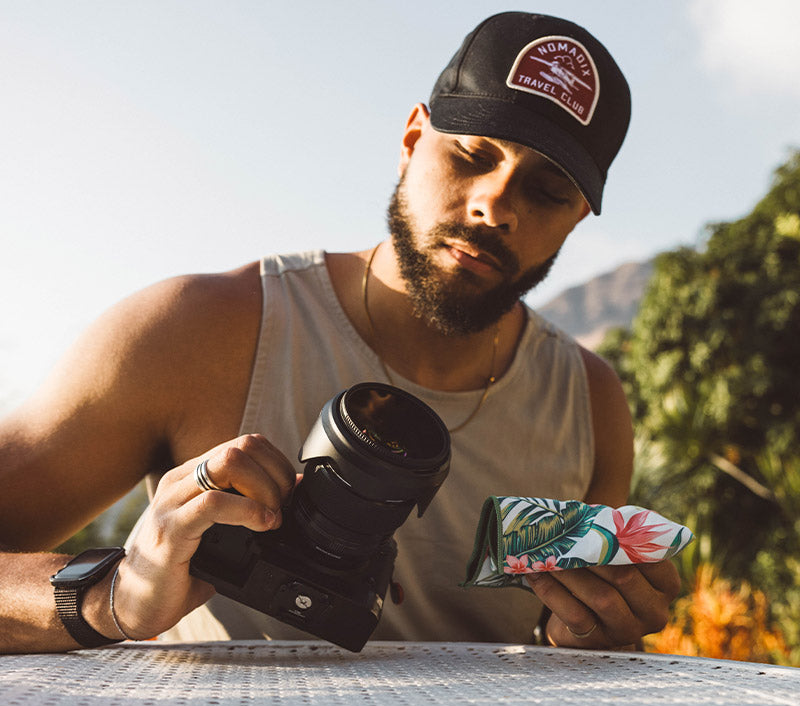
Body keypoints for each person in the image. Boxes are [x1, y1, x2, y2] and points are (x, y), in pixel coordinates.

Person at [0, 12, 679, 654]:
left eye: (548, 192)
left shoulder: (589, 402)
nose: (494, 205)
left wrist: (589, 633)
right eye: (473, 154)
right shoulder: (198, 332)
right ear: (413, 138)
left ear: (579, 218)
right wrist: (110, 597)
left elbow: (557, 648)